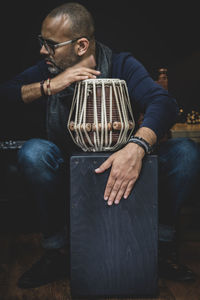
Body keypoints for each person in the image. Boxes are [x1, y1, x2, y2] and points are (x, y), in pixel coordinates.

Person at [0, 2, 200, 289]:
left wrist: (136, 147)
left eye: (51, 44)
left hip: (130, 167)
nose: (43, 50)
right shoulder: (48, 69)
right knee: (34, 152)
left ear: (81, 45)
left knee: (186, 153)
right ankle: (56, 251)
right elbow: (4, 95)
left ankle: (162, 248)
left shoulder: (122, 64)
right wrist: (50, 85)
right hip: (69, 170)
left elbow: (164, 103)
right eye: (41, 42)